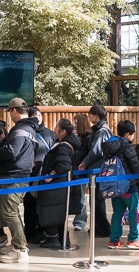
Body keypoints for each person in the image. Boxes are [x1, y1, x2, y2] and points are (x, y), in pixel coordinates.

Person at [0, 97, 39, 263]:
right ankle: (20, 246)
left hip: (14, 176)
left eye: (10, 112)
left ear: (14, 111)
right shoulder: (31, 129)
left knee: (9, 213)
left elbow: (11, 152)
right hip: (22, 175)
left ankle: (20, 249)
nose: (10, 115)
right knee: (13, 212)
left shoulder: (19, 130)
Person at [36, 118, 80, 250]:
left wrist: (52, 174)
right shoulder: (67, 143)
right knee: (59, 213)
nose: (54, 129)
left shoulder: (64, 147)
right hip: (63, 185)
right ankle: (62, 239)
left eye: (56, 127)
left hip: (57, 186)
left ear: (63, 131)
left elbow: (64, 164)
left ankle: (53, 239)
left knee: (53, 212)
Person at [102, 120, 139, 249]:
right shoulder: (127, 148)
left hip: (114, 187)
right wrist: (137, 179)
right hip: (128, 186)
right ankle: (133, 239)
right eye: (132, 134)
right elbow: (136, 166)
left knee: (117, 213)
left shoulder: (109, 147)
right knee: (134, 212)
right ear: (127, 134)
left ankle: (114, 240)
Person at [78, 104, 114, 237]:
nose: (89, 117)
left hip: (98, 169)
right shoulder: (102, 129)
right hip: (99, 169)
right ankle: (98, 227)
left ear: (96, 116)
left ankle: (102, 229)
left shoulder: (102, 131)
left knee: (97, 200)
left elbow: (96, 150)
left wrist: (84, 162)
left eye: (90, 115)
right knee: (96, 200)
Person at [23, 106, 56, 243]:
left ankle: (43, 230)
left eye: (39, 114)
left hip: (46, 174)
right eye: (34, 115)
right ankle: (30, 232)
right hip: (32, 174)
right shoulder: (28, 132)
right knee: (30, 204)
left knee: (43, 204)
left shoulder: (49, 133)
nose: (38, 117)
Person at [72, 113, 93, 232]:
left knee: (81, 196)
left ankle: (80, 220)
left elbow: (82, 154)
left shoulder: (87, 139)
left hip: (82, 171)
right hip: (75, 170)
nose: (73, 126)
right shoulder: (76, 137)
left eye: (75, 124)